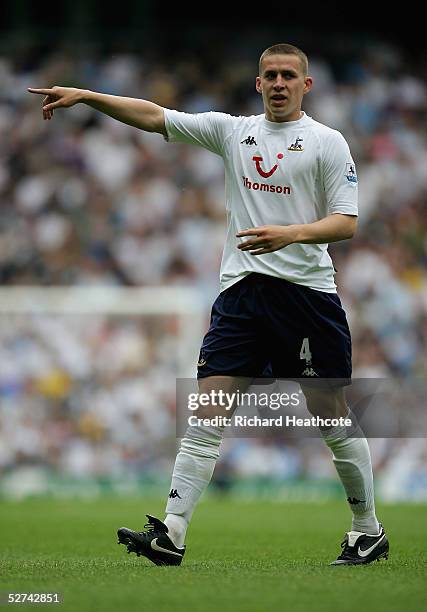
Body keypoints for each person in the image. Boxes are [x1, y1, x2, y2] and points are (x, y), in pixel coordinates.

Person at [29, 43, 389, 566]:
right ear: (259, 82)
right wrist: (87, 96)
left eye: (290, 75)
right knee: (207, 409)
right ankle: (171, 533)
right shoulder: (232, 131)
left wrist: (292, 234)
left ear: (306, 85)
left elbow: (348, 222)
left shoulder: (327, 143)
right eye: (271, 75)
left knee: (330, 416)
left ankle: (367, 528)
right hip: (241, 294)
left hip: (308, 297)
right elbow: (154, 116)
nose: (280, 83)